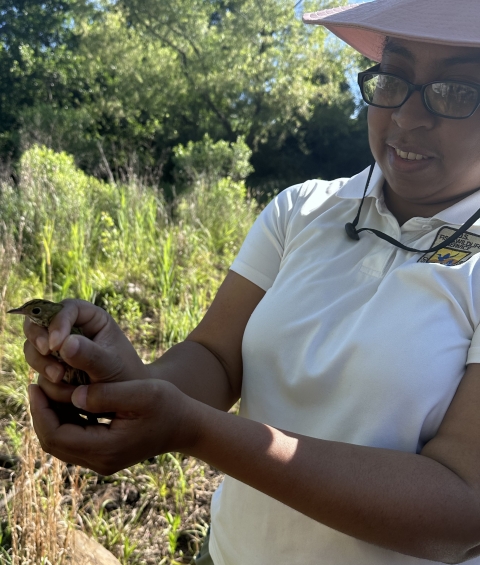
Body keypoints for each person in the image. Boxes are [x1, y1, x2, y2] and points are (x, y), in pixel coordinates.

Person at [22, 0, 480, 563]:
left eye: (457, 92)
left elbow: (460, 507)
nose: (408, 116)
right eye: (394, 78)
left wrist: (195, 431)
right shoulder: (302, 209)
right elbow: (216, 358)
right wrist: (125, 381)